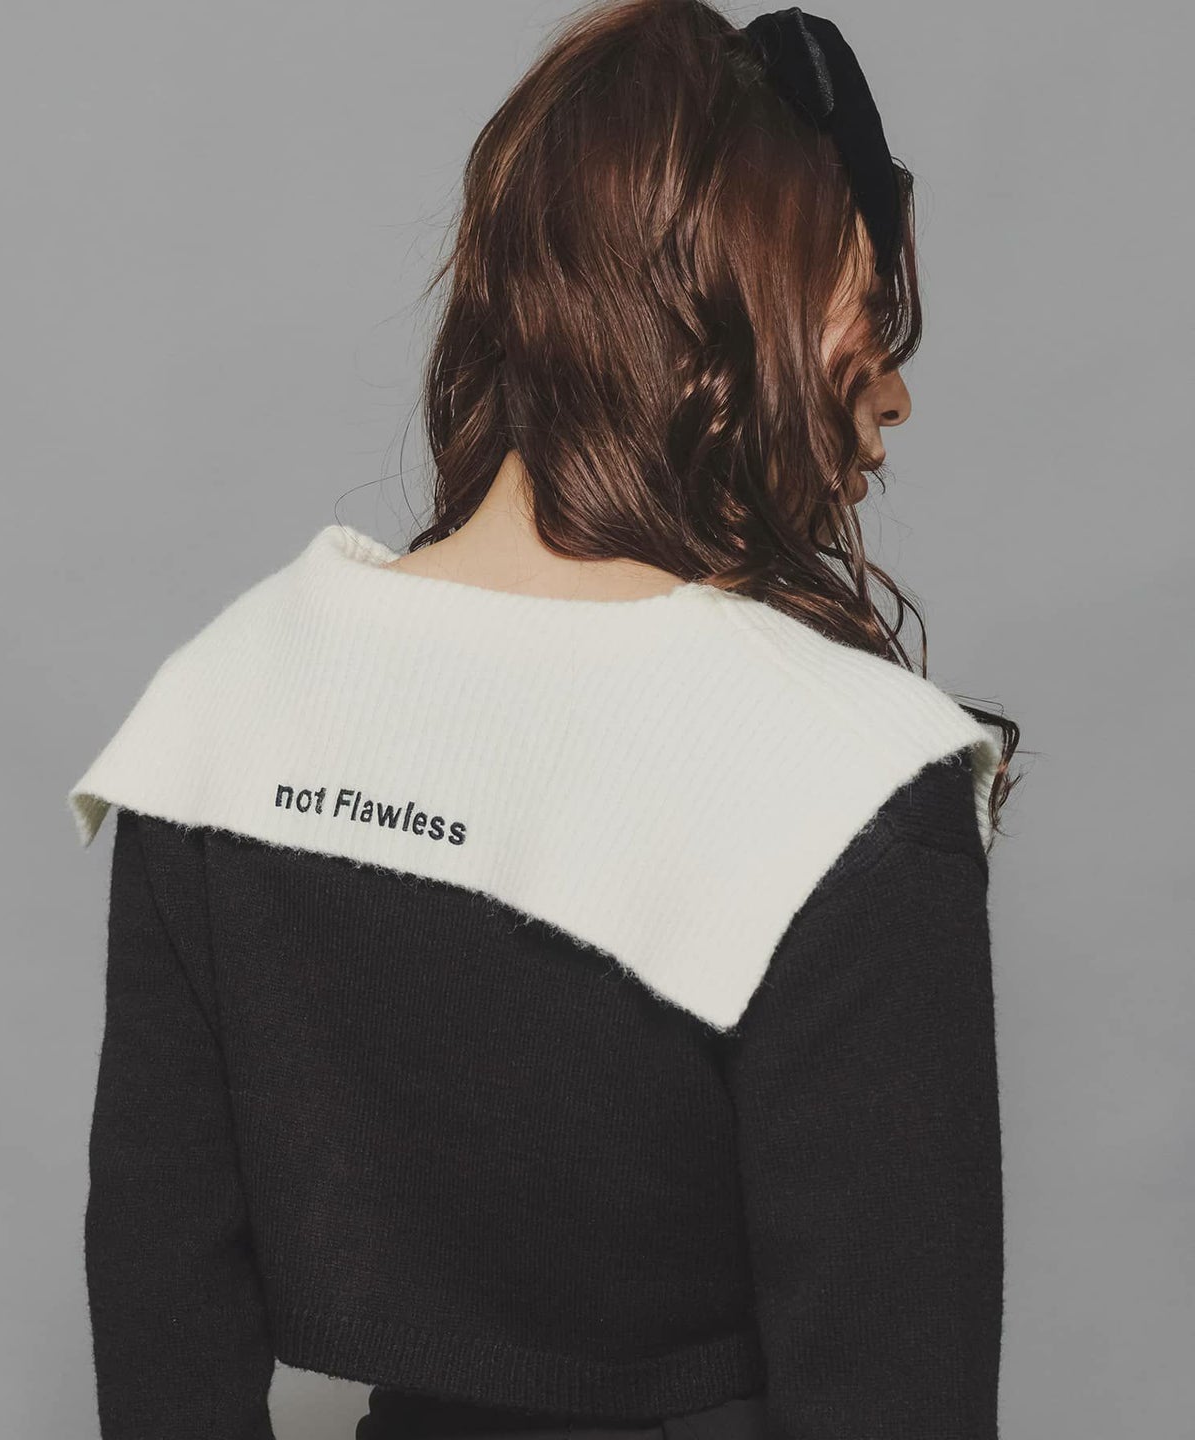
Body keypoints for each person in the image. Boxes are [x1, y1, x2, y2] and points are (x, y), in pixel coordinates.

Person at [66, 3, 1021, 1438]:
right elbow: (896, 1403)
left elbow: (162, 1338)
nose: (889, 395)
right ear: (716, 302)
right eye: (862, 316)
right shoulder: (846, 772)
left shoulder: (227, 706)